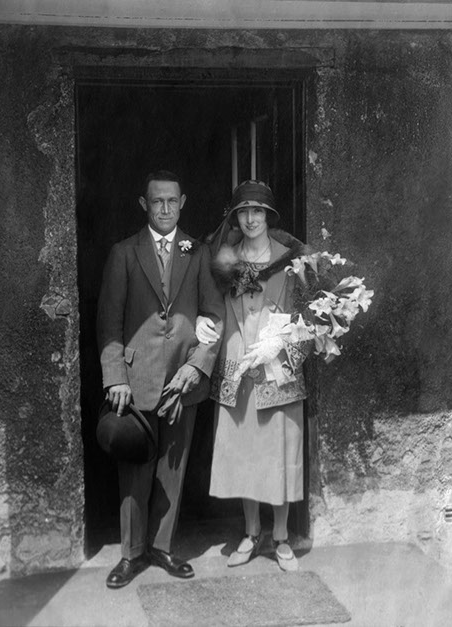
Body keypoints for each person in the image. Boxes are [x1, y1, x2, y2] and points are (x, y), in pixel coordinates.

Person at [97, 170, 224, 588]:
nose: (165, 209)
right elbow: (109, 322)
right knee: (134, 468)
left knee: (174, 467)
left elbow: (215, 315)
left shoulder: (198, 253)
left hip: (182, 381)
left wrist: (197, 366)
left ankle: (162, 546)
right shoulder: (124, 253)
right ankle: (132, 554)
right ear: (144, 205)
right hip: (135, 382)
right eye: (157, 202)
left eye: (172, 201)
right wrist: (115, 377)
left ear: (182, 202)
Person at [197, 180, 310, 572]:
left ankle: (280, 537)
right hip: (237, 366)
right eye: (243, 211)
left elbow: (309, 314)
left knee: (277, 456)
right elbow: (208, 303)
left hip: (276, 370)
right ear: (235, 217)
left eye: (257, 211)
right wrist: (201, 322)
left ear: (269, 216)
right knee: (245, 456)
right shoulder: (224, 260)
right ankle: (250, 532)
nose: (250, 219)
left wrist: (279, 343)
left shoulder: (291, 260)